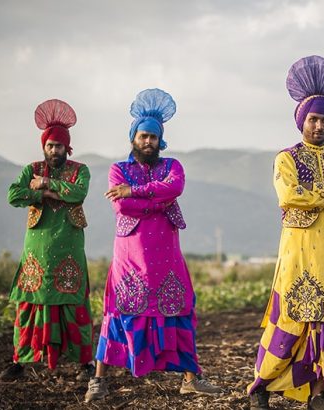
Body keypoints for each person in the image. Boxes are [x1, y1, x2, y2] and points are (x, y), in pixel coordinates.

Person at [85, 88, 221, 402]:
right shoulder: (117, 170)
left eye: (154, 137)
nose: (148, 142)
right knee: (119, 312)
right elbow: (122, 209)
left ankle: (191, 378)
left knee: (178, 309)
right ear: (133, 137)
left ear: (161, 141)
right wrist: (154, 200)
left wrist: (133, 192)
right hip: (130, 259)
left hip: (167, 257)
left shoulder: (172, 166)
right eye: (143, 136)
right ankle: (99, 380)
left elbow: (175, 187)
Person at [247, 55, 324, 410]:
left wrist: (321, 194)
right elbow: (289, 194)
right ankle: (261, 389)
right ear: (301, 121)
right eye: (313, 119)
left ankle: (319, 394)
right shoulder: (286, 158)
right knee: (290, 321)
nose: (319, 126)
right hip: (298, 254)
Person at [0, 99, 94, 381]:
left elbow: (78, 194)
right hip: (36, 251)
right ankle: (19, 361)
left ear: (68, 147)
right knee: (29, 304)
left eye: (59, 146)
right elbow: (14, 195)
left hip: (69, 249)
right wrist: (45, 195)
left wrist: (48, 184)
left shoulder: (81, 170)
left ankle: (85, 364)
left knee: (74, 305)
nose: (55, 151)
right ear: (44, 146)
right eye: (50, 146)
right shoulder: (31, 169)